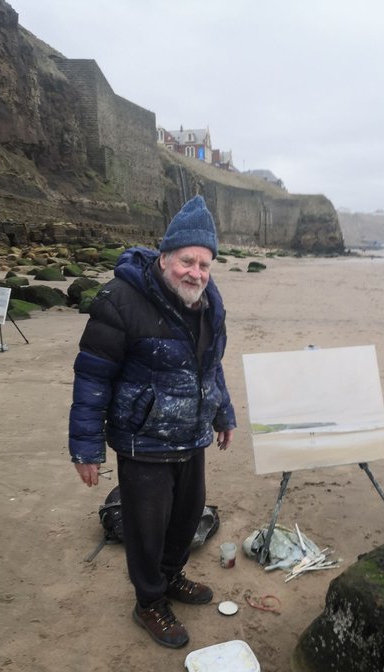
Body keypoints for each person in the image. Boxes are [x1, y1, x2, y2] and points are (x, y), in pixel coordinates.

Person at [69, 195, 236, 648]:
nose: (195, 273)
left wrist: (223, 412)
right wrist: (86, 447)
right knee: (146, 528)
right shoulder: (121, 299)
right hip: (143, 442)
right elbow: (92, 375)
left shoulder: (209, 301)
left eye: (204, 264)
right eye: (187, 260)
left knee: (185, 519)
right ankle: (148, 602)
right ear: (165, 257)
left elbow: (211, 365)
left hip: (191, 436)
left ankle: (171, 576)